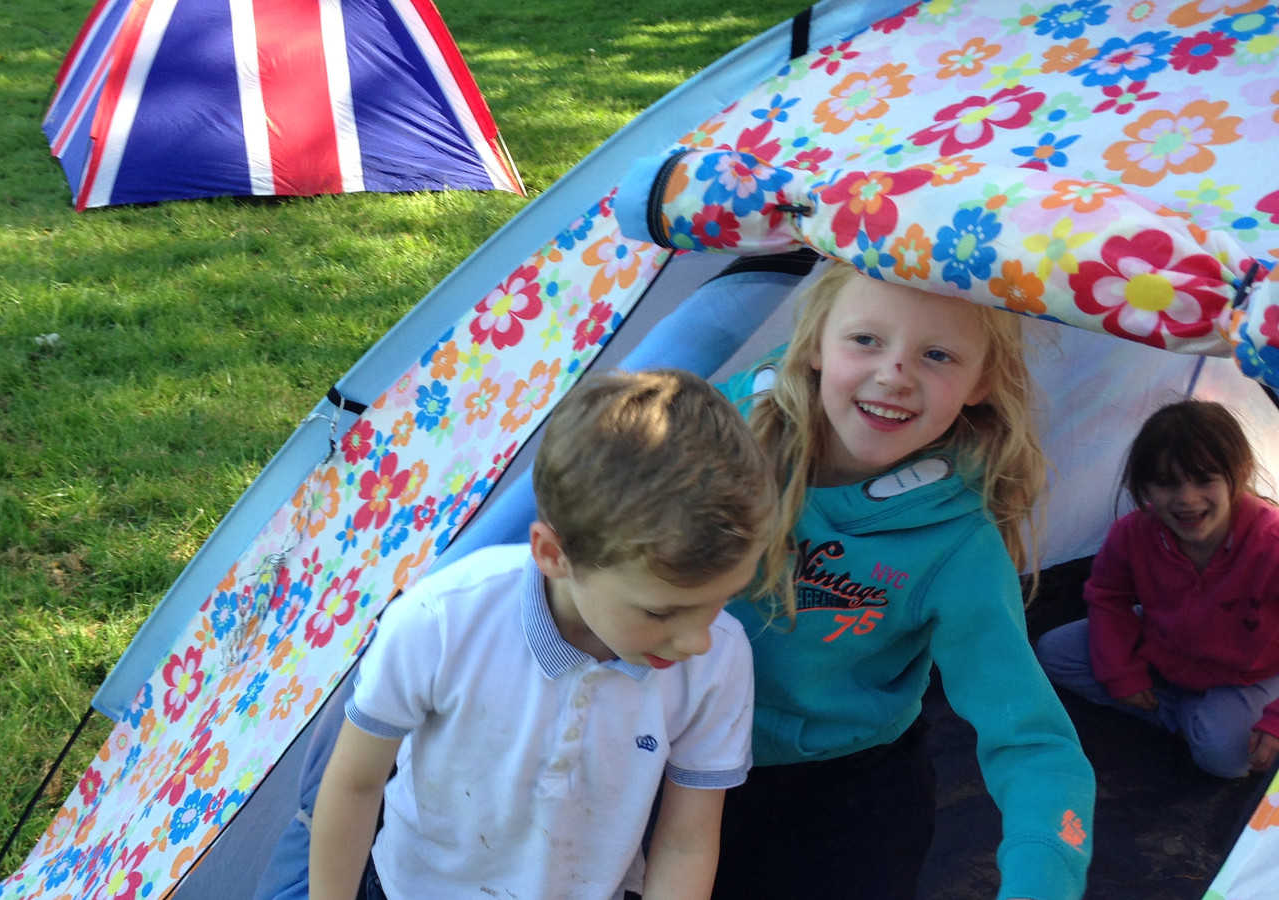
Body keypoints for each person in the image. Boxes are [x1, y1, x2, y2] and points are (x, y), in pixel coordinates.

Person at [307, 368, 779, 900]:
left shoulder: (721, 658)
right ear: (554, 555)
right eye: (663, 612)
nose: (698, 640)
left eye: (720, 601)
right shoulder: (442, 619)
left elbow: (686, 842)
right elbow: (355, 784)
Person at [709, 259, 1094, 900]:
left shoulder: (958, 546)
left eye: (938, 355)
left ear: (981, 382)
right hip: (685, 755)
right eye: (866, 340)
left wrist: (1043, 877)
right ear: (813, 345)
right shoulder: (718, 434)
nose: (895, 373)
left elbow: (1033, 743)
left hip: (846, 790)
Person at [1036, 400, 1279, 779]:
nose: (1186, 499)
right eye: (1166, 483)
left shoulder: (1271, 542)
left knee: (1229, 757)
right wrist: (1121, 674)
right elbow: (1108, 598)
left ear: (1240, 472)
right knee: (1053, 653)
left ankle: (1196, 720)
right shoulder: (1134, 533)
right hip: (1167, 645)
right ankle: (1184, 717)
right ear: (1145, 485)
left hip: (1251, 670)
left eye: (1204, 480)